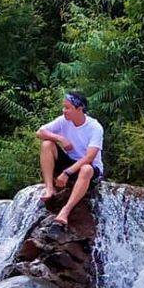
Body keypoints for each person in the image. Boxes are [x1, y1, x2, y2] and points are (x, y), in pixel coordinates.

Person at [35, 91, 104, 226]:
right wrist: (61, 138)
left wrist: (67, 173)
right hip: (69, 161)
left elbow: (90, 157)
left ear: (79, 109)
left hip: (88, 168)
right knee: (47, 144)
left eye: (67, 108)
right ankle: (49, 188)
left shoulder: (95, 127)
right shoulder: (64, 120)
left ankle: (65, 211)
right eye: (63, 107)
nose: (64, 111)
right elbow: (40, 132)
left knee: (86, 169)